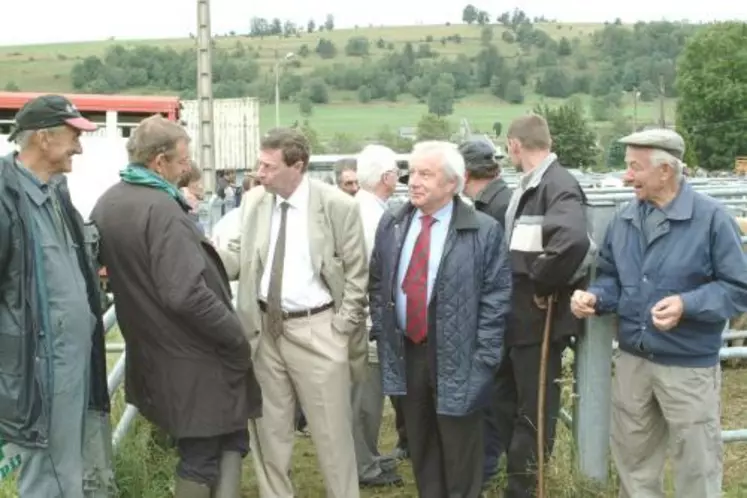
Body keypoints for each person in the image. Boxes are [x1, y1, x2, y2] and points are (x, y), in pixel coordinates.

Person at [90, 115, 262, 498]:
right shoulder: (162, 210)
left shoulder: (110, 201)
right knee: (203, 453)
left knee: (228, 437)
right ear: (159, 162)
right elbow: (184, 293)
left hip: (156, 353)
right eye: (183, 160)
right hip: (193, 356)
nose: (188, 167)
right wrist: (234, 332)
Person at [571, 129, 747, 498]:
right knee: (634, 466)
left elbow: (737, 289)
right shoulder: (624, 219)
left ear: (665, 171)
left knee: (696, 467)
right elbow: (611, 277)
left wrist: (688, 304)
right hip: (635, 363)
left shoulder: (712, 221)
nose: (626, 176)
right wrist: (596, 297)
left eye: (635, 167)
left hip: (687, 367)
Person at [218, 127, 368, 498]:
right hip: (265, 332)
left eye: (268, 165)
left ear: (296, 166)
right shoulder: (254, 202)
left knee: (332, 437)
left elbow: (357, 273)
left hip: (318, 330)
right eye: (259, 163)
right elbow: (237, 256)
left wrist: (340, 328)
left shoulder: (337, 206)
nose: (259, 171)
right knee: (270, 434)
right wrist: (197, 252)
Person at [369, 140, 512, 498]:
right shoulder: (393, 224)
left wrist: (484, 359)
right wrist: (386, 333)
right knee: (422, 448)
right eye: (412, 172)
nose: (413, 181)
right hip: (409, 352)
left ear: (453, 183)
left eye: (426, 174)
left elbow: (497, 300)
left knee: (462, 455)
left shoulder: (483, 230)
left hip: (461, 357)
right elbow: (377, 282)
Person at [0, 94, 112, 497]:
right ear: (43, 139)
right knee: (48, 477)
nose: (79, 147)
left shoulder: (56, 194)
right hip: (39, 373)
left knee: (68, 468)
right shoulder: (4, 198)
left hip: (73, 364)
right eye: (73, 136)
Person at [501, 114, 595, 498]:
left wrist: (543, 281)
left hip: (536, 318)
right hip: (520, 317)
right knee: (515, 404)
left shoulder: (557, 185)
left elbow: (572, 241)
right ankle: (515, 483)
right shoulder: (533, 185)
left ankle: (525, 489)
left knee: (534, 412)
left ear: (515, 146)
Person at [457, 137, 514, 487]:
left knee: (491, 396)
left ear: (464, 173)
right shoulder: (499, 199)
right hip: (501, 316)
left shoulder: (492, 209)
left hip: (496, 318)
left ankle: (486, 468)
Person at [352, 144, 404, 487]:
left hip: (364, 317)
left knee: (366, 395)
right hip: (368, 320)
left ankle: (367, 457)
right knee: (366, 399)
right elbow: (378, 273)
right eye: (396, 172)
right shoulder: (374, 217)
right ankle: (363, 466)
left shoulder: (362, 209)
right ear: (386, 177)